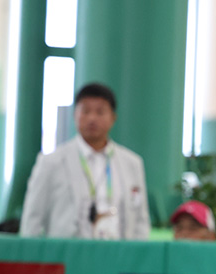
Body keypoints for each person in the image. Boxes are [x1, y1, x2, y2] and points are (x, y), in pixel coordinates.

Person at [20, 82, 151, 240]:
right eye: (85, 111)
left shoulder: (132, 163)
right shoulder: (51, 162)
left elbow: (141, 220)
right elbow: (32, 219)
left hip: (120, 250)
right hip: (68, 252)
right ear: (75, 115)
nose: (92, 118)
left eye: (100, 112)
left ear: (113, 118)